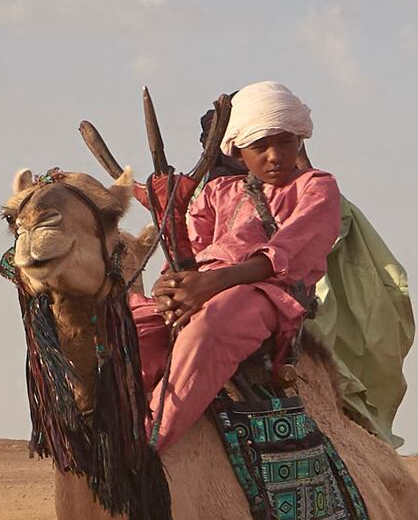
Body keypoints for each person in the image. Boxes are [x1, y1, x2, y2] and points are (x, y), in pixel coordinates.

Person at [135, 80, 344, 449]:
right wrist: (170, 287)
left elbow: (287, 255)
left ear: (300, 141)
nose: (275, 156)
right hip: (206, 288)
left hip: (268, 295)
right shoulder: (218, 192)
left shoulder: (317, 187)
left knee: (209, 330)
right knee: (130, 325)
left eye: (284, 142)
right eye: (259, 147)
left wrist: (213, 285)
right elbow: (190, 252)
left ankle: (149, 442)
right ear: (237, 151)